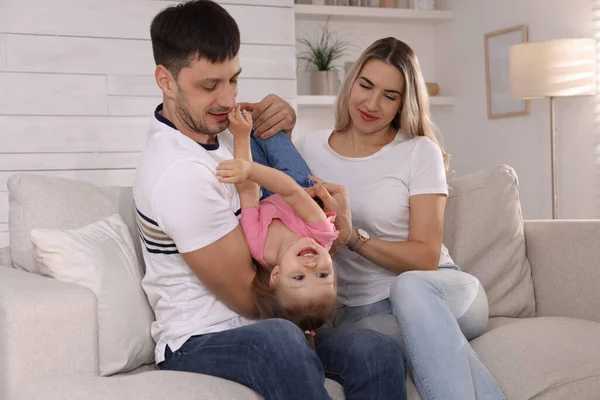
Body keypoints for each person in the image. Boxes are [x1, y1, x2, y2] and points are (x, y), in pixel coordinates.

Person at [133, 2, 407, 399]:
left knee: (377, 350)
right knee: (279, 340)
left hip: (269, 328)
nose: (227, 99)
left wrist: (283, 128)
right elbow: (248, 297)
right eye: (210, 86)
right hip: (200, 339)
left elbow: (280, 188)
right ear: (166, 80)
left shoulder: (218, 135)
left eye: (234, 80)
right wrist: (314, 263)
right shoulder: (178, 174)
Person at [293, 37, 506, 400]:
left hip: (441, 290)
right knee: (383, 343)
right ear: (352, 81)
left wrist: (354, 240)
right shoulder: (309, 149)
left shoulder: (418, 151)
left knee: (407, 287)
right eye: (366, 85)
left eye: (390, 96)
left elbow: (425, 257)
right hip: (361, 309)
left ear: (403, 103)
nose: (372, 104)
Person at [216, 106, 338, 338]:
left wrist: (241, 137)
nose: (311, 267)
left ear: (276, 276)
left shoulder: (258, 246)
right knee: (266, 130)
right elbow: (292, 191)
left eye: (299, 277)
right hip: (296, 182)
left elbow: (249, 195)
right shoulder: (321, 234)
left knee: (242, 130)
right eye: (324, 275)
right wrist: (250, 169)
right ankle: (253, 113)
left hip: (261, 190)